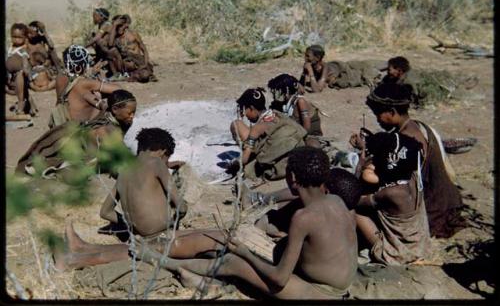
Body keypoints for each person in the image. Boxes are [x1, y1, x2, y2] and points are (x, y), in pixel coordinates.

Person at [55, 147, 358, 299]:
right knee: (211, 238)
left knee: (231, 261)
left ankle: (160, 262)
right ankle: (86, 250)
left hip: (319, 293)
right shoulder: (336, 202)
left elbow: (278, 279)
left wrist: (245, 252)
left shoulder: (305, 216)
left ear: (291, 178)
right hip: (322, 282)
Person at [350, 83, 466, 238]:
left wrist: (364, 159)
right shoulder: (416, 126)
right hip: (447, 202)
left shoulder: (408, 139)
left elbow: (394, 182)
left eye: (378, 114)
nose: (377, 119)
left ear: (392, 112)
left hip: (432, 211)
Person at [16, 89, 137, 177]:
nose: (132, 116)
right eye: (129, 113)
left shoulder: (106, 113)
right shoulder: (110, 130)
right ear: (115, 110)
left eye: (134, 112)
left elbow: (94, 99)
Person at [355, 131, 431, 265]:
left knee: (353, 212)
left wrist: (361, 164)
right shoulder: (413, 177)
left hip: (398, 254)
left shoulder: (390, 193)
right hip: (418, 245)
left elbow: (354, 199)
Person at [228, 87, 307, 180]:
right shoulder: (276, 115)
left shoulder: (257, 128)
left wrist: (233, 164)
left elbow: (245, 158)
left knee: (236, 124)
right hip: (293, 151)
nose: (244, 114)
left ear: (252, 108)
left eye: (245, 109)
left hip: (274, 160)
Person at [49, 45, 121, 128]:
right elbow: (118, 88)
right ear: (80, 67)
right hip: (80, 127)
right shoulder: (84, 83)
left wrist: (90, 75)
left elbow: (73, 84)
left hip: (62, 121)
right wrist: (102, 79)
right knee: (99, 96)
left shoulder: (60, 77)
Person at [299, 45, 385, 93]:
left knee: (367, 69)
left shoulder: (325, 67)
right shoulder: (310, 65)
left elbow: (317, 90)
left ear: (317, 58)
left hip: (343, 68)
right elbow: (301, 84)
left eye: (308, 56)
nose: (305, 58)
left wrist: (310, 73)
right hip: (342, 66)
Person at [108, 14, 155, 83]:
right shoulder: (115, 37)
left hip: (138, 62)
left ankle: (133, 74)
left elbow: (144, 49)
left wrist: (145, 63)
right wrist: (114, 25)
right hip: (126, 64)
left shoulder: (133, 34)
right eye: (117, 27)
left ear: (126, 25)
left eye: (121, 26)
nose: (119, 28)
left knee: (145, 76)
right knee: (112, 51)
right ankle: (121, 75)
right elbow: (110, 44)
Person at [5, 23, 36, 115]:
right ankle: (30, 106)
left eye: (19, 37)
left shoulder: (24, 49)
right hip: (10, 76)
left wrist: (26, 71)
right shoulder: (9, 48)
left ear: (25, 38)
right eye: (14, 37)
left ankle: (21, 103)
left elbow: (25, 62)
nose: (16, 39)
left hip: (22, 75)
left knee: (20, 76)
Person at [85, 8, 123, 76]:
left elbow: (97, 38)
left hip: (110, 50)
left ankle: (104, 61)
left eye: (95, 16)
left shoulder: (106, 25)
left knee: (98, 40)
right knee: (93, 36)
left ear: (102, 17)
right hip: (106, 49)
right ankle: (99, 58)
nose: (93, 18)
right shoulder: (102, 25)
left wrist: (84, 47)